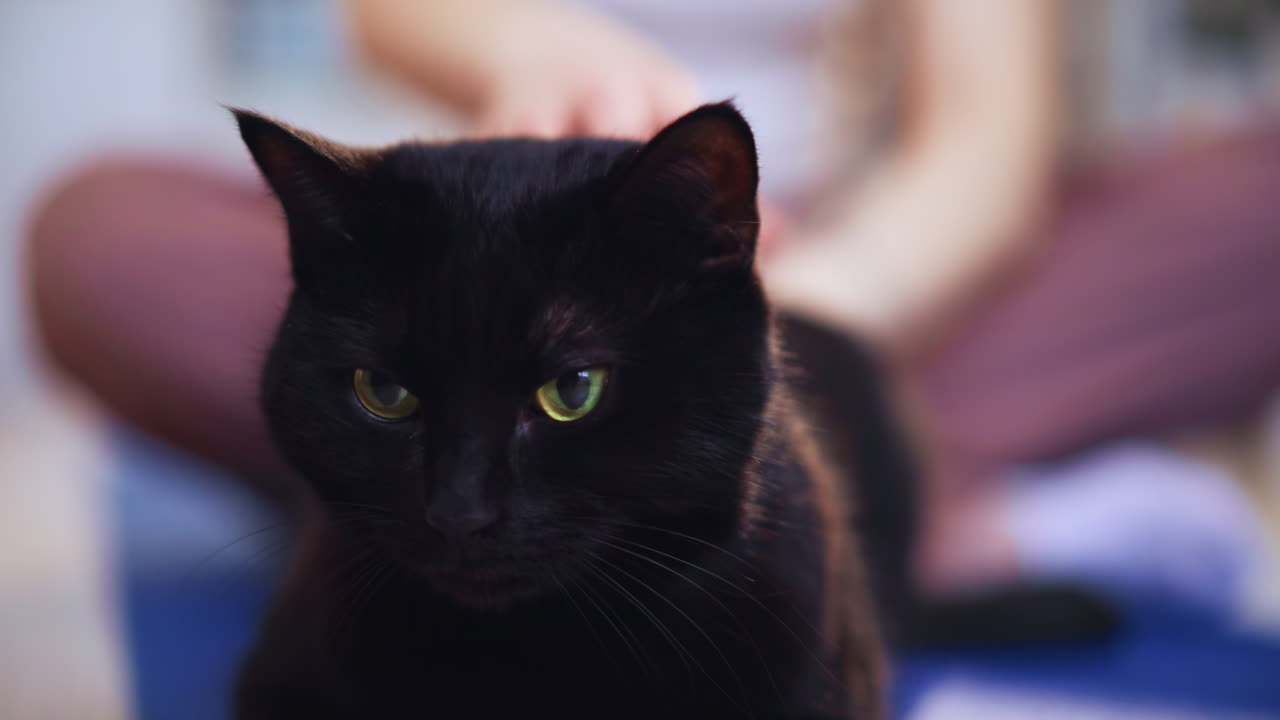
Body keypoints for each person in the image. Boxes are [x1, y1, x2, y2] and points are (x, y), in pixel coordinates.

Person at [28, 0, 1280, 592]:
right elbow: (382, 17)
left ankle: (786, 461)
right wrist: (523, 46)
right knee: (97, 238)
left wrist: (816, 307)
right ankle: (896, 510)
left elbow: (983, 147)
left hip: (843, 279)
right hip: (499, 287)